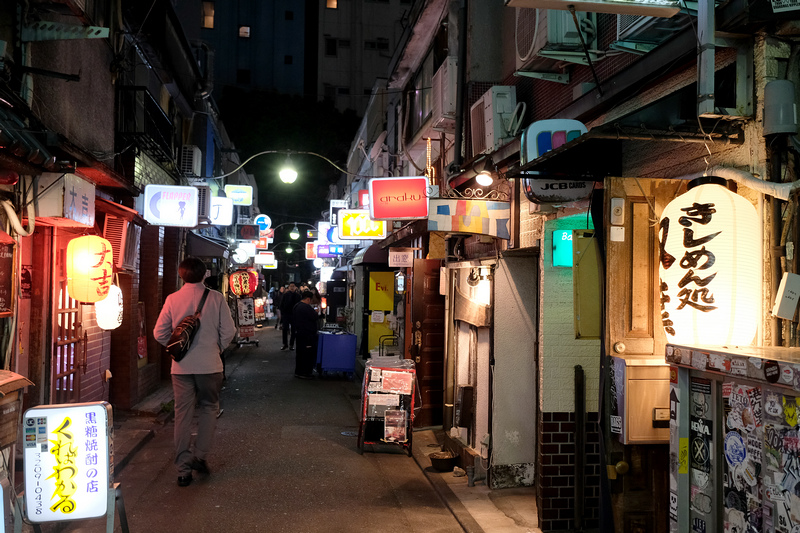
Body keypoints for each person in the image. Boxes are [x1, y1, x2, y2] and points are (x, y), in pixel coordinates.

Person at [154, 257, 236, 488]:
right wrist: (217, 347)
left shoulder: (172, 299)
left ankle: (182, 470)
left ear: (181, 275)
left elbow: (159, 333)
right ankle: (200, 456)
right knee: (209, 408)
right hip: (210, 366)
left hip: (180, 368)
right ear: (204, 274)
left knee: (182, 414)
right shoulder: (216, 298)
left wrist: (175, 349)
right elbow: (229, 331)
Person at [293, 290, 319, 379]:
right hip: (307, 334)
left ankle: (299, 371)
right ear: (308, 299)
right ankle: (305, 372)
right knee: (307, 354)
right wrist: (317, 311)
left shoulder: (297, 306)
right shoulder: (306, 307)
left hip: (299, 333)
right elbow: (314, 317)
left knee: (300, 354)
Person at [279, 282, 301, 350]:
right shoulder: (285, 295)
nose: (292, 288)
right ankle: (285, 344)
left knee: (294, 330)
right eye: (290, 286)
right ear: (288, 287)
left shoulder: (298, 295)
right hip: (286, 314)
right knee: (285, 329)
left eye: (293, 286)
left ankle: (291, 344)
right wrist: (282, 313)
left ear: (295, 287)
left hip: (294, 315)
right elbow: (281, 304)